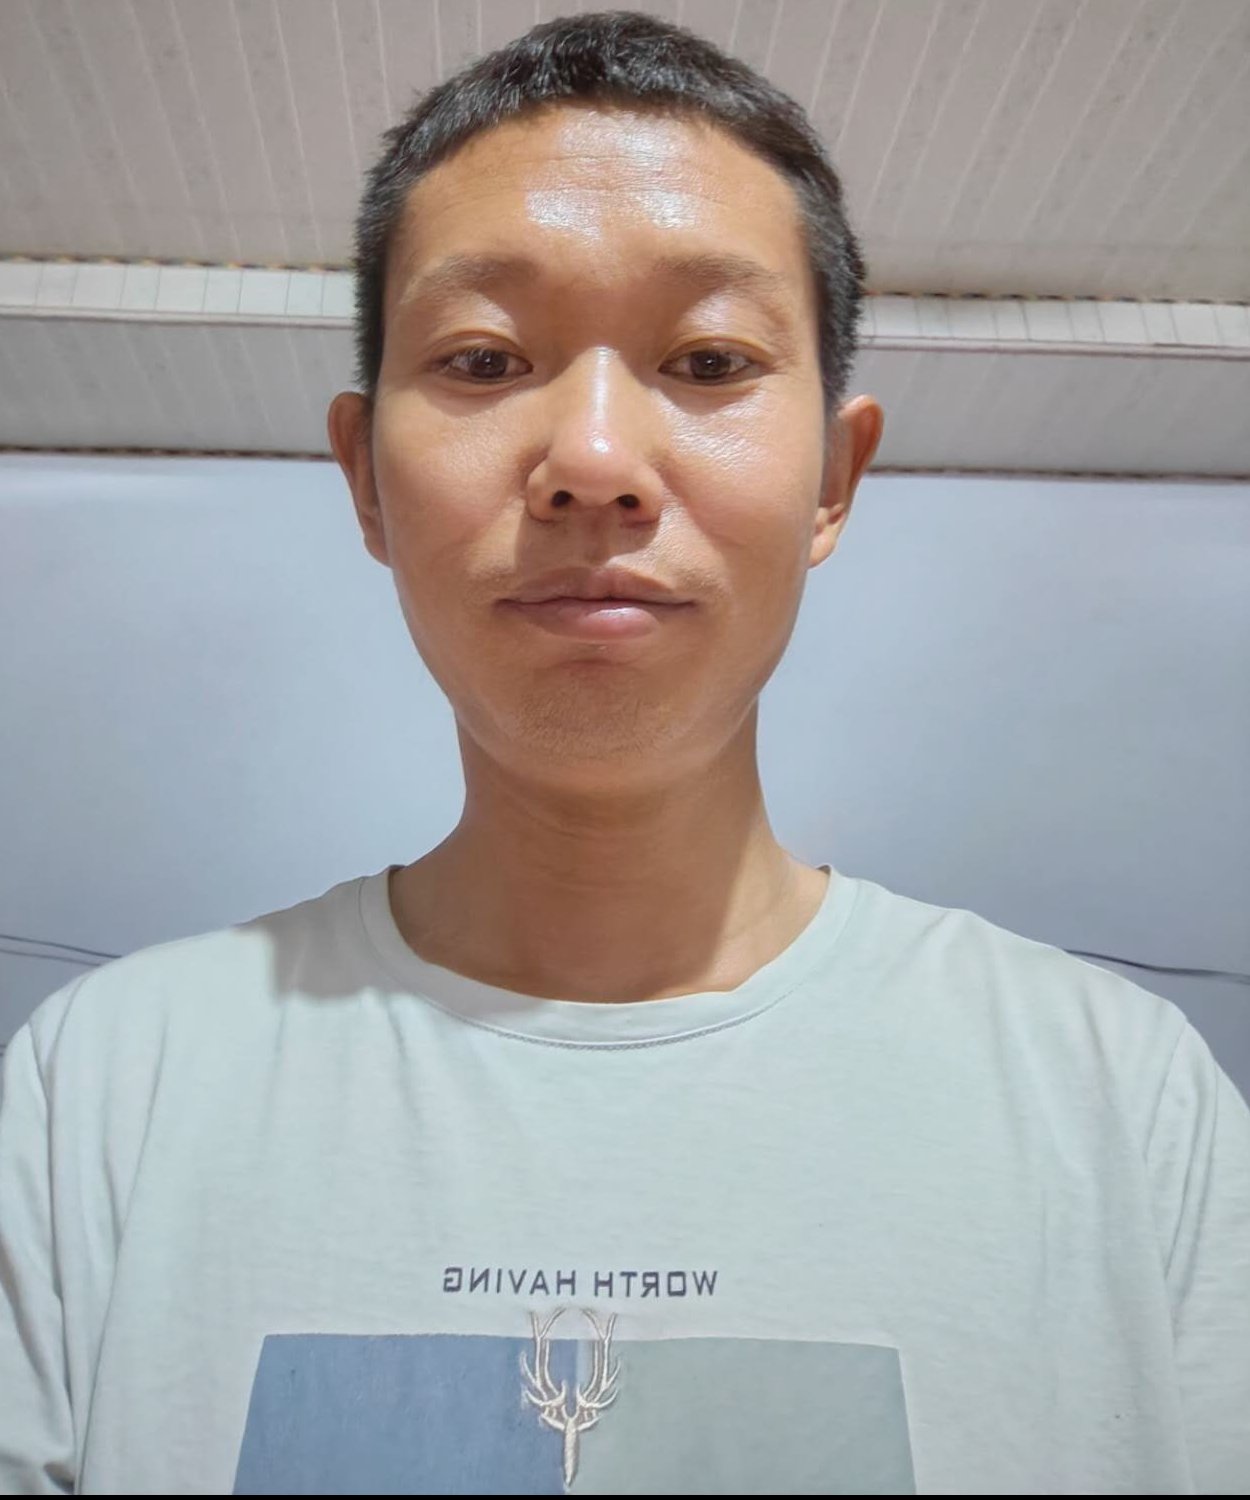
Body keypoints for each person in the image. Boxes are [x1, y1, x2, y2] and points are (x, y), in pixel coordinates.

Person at [2, 8, 1247, 1494]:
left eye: (709, 358)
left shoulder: (1119, 1103)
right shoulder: (106, 1093)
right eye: (482, 359)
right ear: (365, 479)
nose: (591, 462)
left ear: (834, 478)